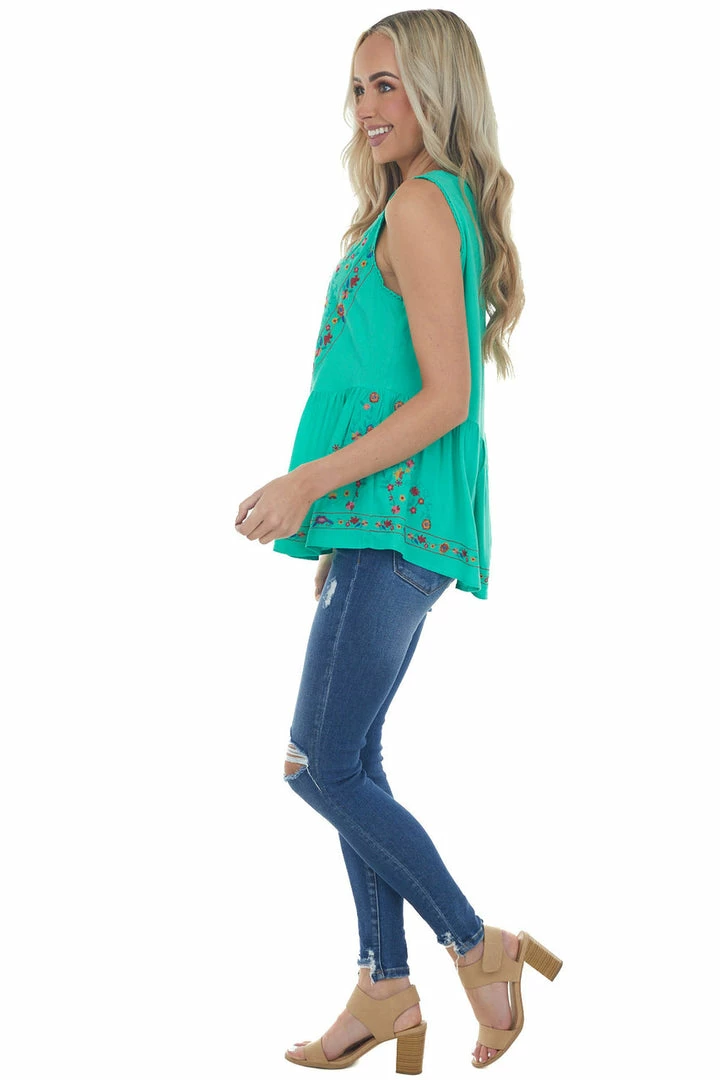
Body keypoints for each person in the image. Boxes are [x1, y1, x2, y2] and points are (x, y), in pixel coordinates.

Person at [235, 9, 561, 1071]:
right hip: (384, 530)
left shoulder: (421, 206)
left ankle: (477, 945)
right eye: (359, 87)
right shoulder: (421, 201)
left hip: (397, 528)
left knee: (314, 765)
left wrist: (307, 485)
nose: (368, 108)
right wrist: (339, 527)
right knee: (354, 762)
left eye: (389, 86)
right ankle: (383, 984)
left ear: (437, 92)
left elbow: (446, 399)